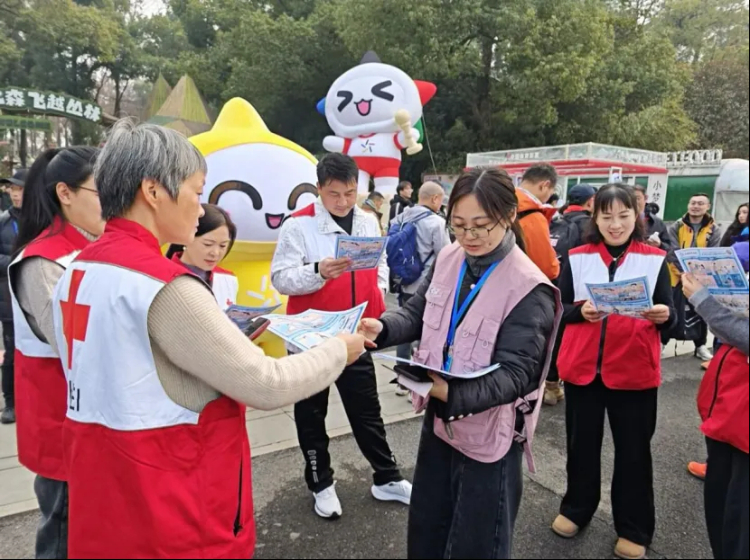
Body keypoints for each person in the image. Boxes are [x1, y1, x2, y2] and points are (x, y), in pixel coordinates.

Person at [50, 121, 366, 559]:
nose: (201, 211)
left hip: (104, 493)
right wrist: (337, 350)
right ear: (153, 191)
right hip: (175, 505)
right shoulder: (167, 287)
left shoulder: (77, 269)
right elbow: (266, 384)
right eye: (198, 192)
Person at [358, 168, 559, 559]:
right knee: (428, 525)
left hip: (490, 435)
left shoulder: (529, 286)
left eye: (481, 225)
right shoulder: (451, 256)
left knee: (478, 541)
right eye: (459, 225)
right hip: (439, 417)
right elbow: (417, 312)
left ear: (509, 216)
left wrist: (450, 392)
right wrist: (381, 328)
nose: (469, 236)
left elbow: (517, 375)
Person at [271, 153, 411, 520]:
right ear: (319, 189)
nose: (343, 201)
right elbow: (281, 278)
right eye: (334, 194)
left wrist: (378, 291)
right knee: (311, 415)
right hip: (310, 339)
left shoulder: (367, 219)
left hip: (355, 333)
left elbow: (380, 263)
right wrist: (318, 272)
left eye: (350, 193)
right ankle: (321, 482)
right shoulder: (298, 225)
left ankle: (387, 477)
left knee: (367, 411)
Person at [552, 184, 677, 560]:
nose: (615, 224)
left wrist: (664, 316)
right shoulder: (577, 257)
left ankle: (634, 526)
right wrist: (580, 312)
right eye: (607, 216)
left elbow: (670, 313)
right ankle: (577, 507)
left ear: (637, 217)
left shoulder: (654, 259)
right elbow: (559, 308)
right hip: (583, 369)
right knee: (581, 445)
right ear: (595, 217)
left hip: (634, 369)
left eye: (624, 215)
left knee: (634, 451)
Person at [8, 148, 102, 559]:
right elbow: (73, 342)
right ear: (65, 193)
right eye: (102, 191)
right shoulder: (43, 260)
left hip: (93, 416)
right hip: (60, 418)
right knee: (63, 530)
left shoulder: (96, 247)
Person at [681, 273, 748, 560]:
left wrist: (703, 301)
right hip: (728, 413)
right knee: (720, 512)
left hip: (741, 424)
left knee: (738, 526)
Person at [390, 181, 451, 392]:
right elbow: (446, 255)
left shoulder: (401, 217)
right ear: (435, 199)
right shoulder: (436, 222)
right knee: (424, 334)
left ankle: (401, 380)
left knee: (404, 330)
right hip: (426, 286)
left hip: (403, 283)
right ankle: (417, 384)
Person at [544, 184, 596, 407]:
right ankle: (565, 382)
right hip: (577, 294)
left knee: (551, 336)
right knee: (570, 337)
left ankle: (549, 385)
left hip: (548, 288)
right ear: (591, 202)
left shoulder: (553, 222)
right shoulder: (590, 226)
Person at [666, 193, 723, 363]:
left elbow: (712, 253)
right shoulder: (676, 226)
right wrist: (684, 273)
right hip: (676, 276)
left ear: (708, 207)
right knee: (672, 309)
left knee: (701, 310)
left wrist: (699, 275)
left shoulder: (714, 229)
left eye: (700, 203)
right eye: (693, 203)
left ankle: (700, 346)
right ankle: (663, 341)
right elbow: (672, 251)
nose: (696, 206)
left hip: (702, 278)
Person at [166, 203, 239, 309]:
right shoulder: (163, 277)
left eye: (222, 246)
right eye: (208, 244)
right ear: (186, 238)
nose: (215, 253)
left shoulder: (228, 279)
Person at [0, 169, 27, 424]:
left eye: (20, 189)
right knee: (11, 352)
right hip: (8, 298)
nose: (15, 194)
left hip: (34, 294)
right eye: (13, 189)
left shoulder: (43, 219)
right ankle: (10, 403)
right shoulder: (4, 221)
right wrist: (16, 260)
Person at [517, 164, 560, 281]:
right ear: (544, 185)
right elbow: (547, 268)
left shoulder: (499, 202)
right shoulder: (533, 216)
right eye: (551, 192)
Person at [634, 185, 676, 253]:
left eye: (637, 198)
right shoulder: (621, 221)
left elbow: (669, 249)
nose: (633, 202)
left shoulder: (657, 222)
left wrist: (660, 244)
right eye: (630, 199)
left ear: (645, 198)